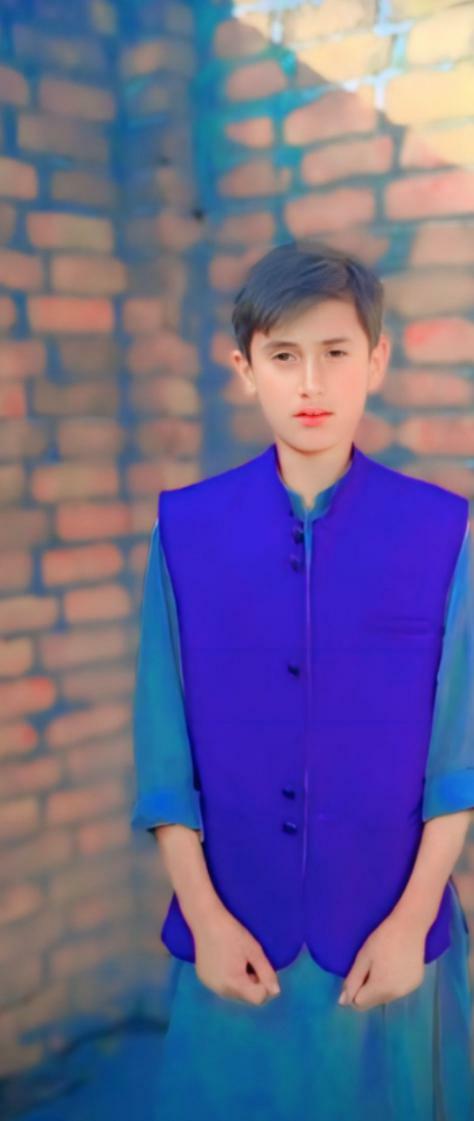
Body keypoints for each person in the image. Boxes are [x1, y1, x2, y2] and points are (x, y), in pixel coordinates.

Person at [130, 240, 474, 1120]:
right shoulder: (185, 531)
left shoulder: (444, 533)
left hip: (392, 947)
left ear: (377, 360)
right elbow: (164, 755)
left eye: (335, 352)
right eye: (284, 356)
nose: (311, 383)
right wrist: (205, 917)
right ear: (246, 369)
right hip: (234, 944)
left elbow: (458, 757)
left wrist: (411, 921)